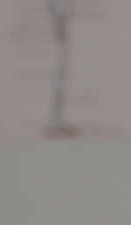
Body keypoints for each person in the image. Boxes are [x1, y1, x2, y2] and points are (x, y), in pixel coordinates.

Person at [46, 0, 76, 134]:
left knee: (62, 71)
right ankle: (56, 120)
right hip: (56, 42)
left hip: (61, 39)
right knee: (59, 71)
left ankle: (58, 119)